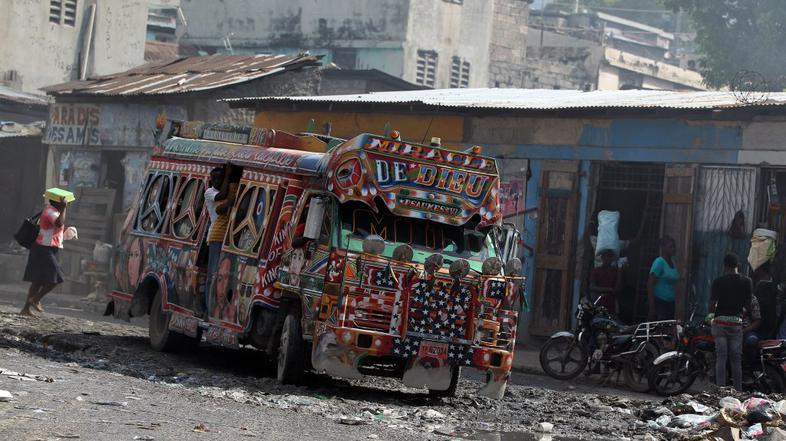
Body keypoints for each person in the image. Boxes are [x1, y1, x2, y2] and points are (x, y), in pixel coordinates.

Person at [709, 253, 752, 390]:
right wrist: (740, 314)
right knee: (736, 360)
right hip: (736, 324)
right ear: (737, 265)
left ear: (725, 265)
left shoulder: (718, 281)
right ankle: (738, 391)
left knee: (721, 357)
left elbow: (712, 305)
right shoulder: (747, 282)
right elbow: (748, 305)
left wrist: (712, 314)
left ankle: (720, 390)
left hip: (720, 324)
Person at [20, 196, 68, 316]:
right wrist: (64, 209)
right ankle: (35, 299)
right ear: (57, 202)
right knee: (57, 277)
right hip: (43, 249)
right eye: (62, 201)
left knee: (38, 280)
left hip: (45, 248)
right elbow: (59, 223)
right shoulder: (51, 211)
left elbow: (54, 229)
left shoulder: (52, 211)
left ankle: (25, 309)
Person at [201, 166, 235, 317]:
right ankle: (209, 309)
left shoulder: (225, 192)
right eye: (215, 179)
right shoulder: (210, 192)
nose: (217, 181)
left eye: (220, 179)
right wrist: (227, 175)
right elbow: (222, 197)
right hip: (215, 235)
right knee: (213, 274)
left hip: (225, 236)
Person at [647, 236, 680, 321]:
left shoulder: (673, 263)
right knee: (660, 329)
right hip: (660, 302)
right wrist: (652, 307)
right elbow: (650, 283)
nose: (673, 249)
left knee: (668, 329)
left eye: (674, 246)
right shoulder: (659, 262)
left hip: (671, 302)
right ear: (663, 248)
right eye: (670, 247)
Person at [589, 249, 622, 314]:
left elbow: (617, 289)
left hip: (611, 303)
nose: (608, 259)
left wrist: (620, 271)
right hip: (599, 302)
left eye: (610, 257)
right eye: (606, 256)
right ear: (602, 258)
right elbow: (592, 287)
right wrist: (609, 289)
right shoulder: (596, 271)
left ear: (612, 258)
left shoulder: (615, 271)